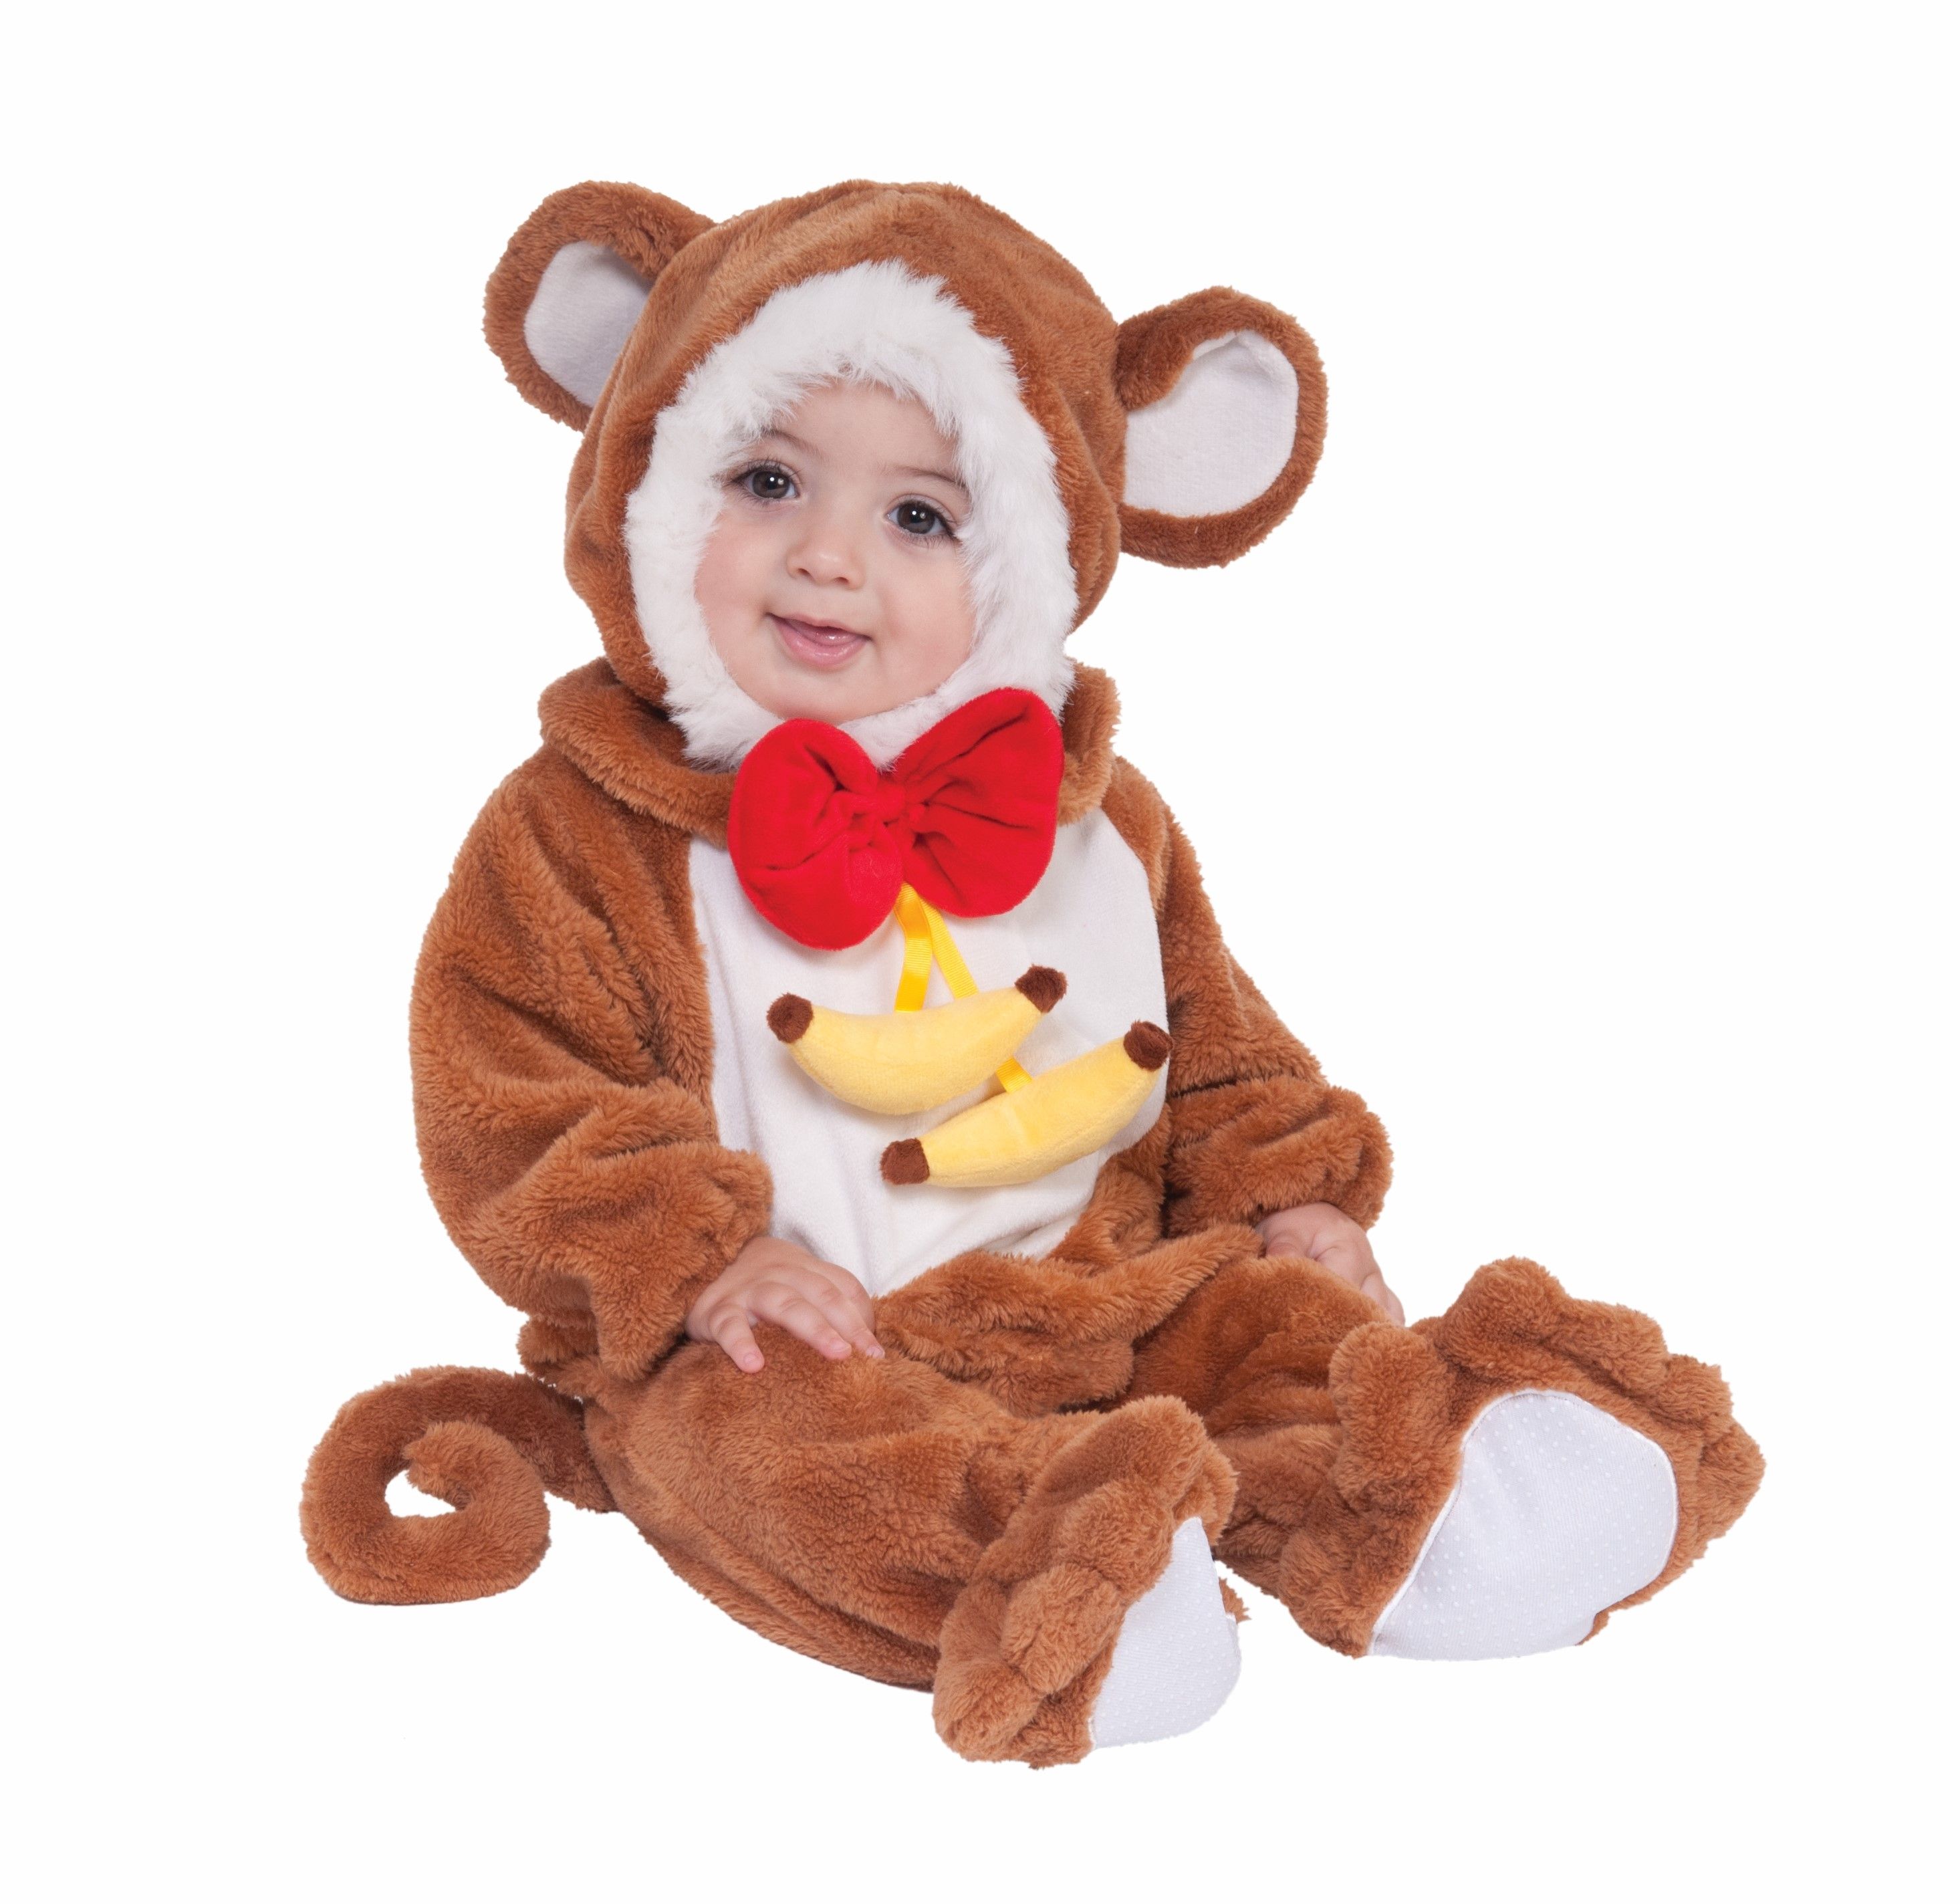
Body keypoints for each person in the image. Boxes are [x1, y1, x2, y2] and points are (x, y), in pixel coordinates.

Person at [303, 181, 1761, 1766]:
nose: (827, 556)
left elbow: (1214, 1040)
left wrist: (1293, 1200)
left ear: (1029, 563)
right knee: (768, 1446)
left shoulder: (1100, 820)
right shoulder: (578, 832)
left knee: (1264, 1329)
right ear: (644, 481)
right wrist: (706, 1261)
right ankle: (1051, 1574)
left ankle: (1440, 1511)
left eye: (921, 516)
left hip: (1104, 1290)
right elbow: (516, 1094)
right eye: (767, 478)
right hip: (786, 1330)